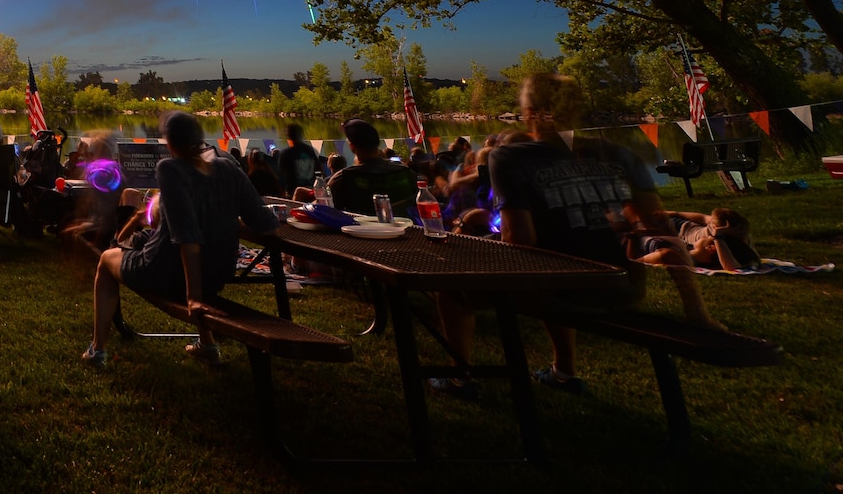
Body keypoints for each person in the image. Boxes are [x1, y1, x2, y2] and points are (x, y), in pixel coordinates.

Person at [435, 74, 721, 398]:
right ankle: (563, 372)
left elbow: (520, 239)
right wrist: (697, 313)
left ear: (529, 113)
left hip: (561, 291)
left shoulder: (509, 156)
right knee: (557, 257)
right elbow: (660, 226)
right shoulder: (619, 152)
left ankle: (459, 377)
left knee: (453, 288)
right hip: (624, 289)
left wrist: (476, 245)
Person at [86, 112, 278, 366]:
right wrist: (223, 217)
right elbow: (265, 222)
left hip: (165, 271)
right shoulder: (229, 167)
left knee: (106, 260)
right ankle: (207, 345)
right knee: (144, 241)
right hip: (219, 272)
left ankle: (97, 350)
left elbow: (186, 234)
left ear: (171, 143)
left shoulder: (171, 168)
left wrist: (194, 297)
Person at [326, 119, 419, 217]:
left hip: (360, 230)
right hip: (406, 228)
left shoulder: (343, 178)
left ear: (352, 146)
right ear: (377, 143)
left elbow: (323, 210)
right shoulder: (404, 171)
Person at [633, 207, 761, 272]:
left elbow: (737, 265)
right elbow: (702, 218)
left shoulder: (721, 241)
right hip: (675, 226)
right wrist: (671, 213)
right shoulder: (715, 233)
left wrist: (717, 237)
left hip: (670, 232)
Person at [276, 122, 319, 193]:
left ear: (288, 137)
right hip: (311, 190)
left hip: (293, 192)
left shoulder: (286, 153)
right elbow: (319, 169)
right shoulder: (310, 150)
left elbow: (281, 176)